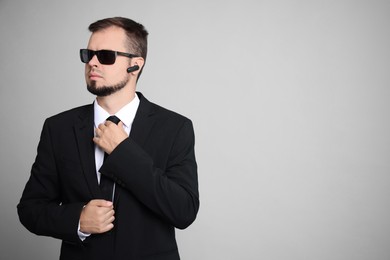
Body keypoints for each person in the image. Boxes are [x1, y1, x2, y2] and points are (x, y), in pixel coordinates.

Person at [17, 17, 199, 260]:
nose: (92, 62)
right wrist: (78, 220)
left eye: (106, 56)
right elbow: (30, 209)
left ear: (135, 65)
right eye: (88, 54)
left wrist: (123, 152)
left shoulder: (175, 128)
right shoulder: (58, 128)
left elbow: (183, 210)